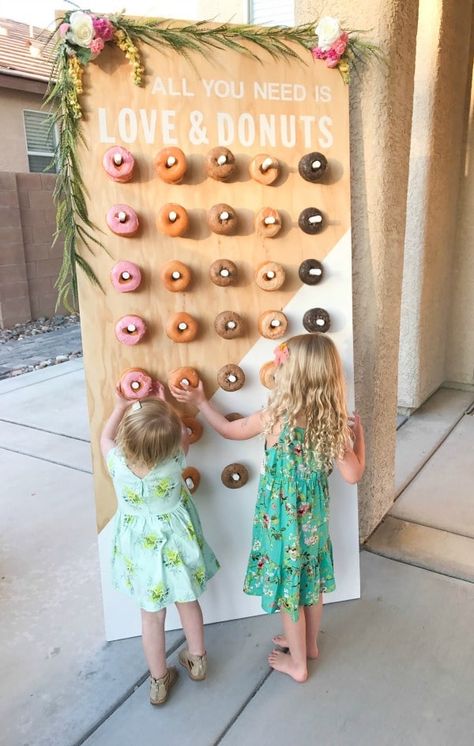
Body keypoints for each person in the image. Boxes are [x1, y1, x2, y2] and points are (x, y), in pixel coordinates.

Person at [171, 332, 365, 683]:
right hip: (313, 524)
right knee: (311, 584)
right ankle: (308, 645)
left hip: (280, 523)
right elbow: (353, 475)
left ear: (290, 375)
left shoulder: (276, 417)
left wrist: (201, 403)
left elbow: (230, 430)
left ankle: (298, 666)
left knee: (290, 593)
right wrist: (359, 439)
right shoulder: (332, 425)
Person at [100, 384, 219, 705]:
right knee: (188, 601)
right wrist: (167, 405)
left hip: (142, 553)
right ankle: (197, 660)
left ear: (127, 438)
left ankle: (158, 679)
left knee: (151, 616)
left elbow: (104, 439)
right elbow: (182, 433)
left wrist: (119, 406)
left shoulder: (116, 465)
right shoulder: (175, 460)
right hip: (178, 546)